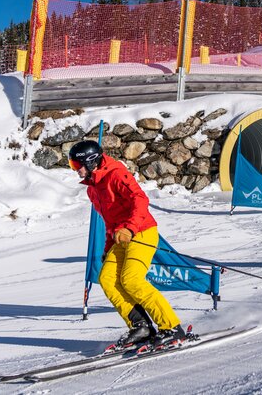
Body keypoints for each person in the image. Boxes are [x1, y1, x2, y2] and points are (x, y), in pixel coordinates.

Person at [69, 140, 186, 352]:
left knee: (131, 280)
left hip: (141, 231)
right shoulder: (93, 189)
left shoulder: (115, 174)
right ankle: (141, 326)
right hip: (120, 238)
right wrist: (107, 248)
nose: (76, 170)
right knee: (107, 279)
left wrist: (130, 229)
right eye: (73, 166)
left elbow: (140, 199)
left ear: (92, 161)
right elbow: (109, 221)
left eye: (77, 165)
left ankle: (171, 328)